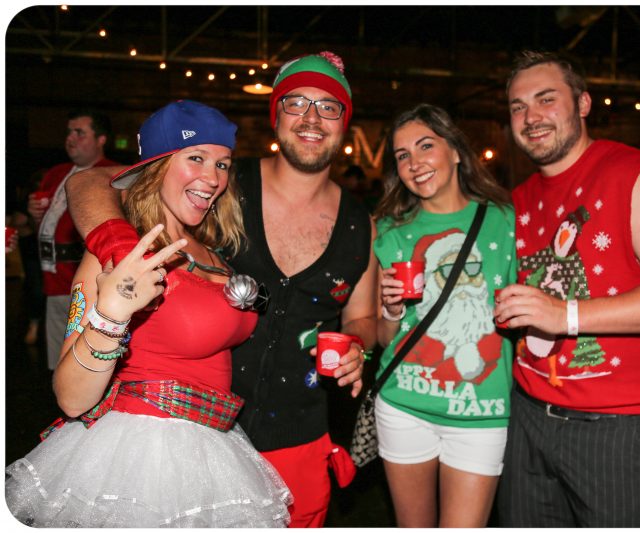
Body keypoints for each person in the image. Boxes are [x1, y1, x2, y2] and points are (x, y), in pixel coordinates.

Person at [64, 52, 377, 528]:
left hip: (292, 437)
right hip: (174, 447)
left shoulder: (357, 223)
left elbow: (363, 318)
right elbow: (90, 180)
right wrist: (119, 255)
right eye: (296, 102)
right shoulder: (228, 188)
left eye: (329, 106)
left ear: (345, 122)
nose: (312, 118)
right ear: (275, 115)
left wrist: (357, 344)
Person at [6, 100, 291, 527]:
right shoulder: (120, 257)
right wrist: (111, 316)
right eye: (196, 158)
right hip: (139, 459)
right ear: (156, 167)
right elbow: (70, 397)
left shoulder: (213, 254)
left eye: (222, 164)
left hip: (214, 447)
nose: (213, 178)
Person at [493, 50, 640, 527]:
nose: (531, 117)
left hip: (614, 427)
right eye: (517, 106)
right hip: (527, 417)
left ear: (583, 103)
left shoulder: (631, 173)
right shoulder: (519, 198)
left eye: (546, 99)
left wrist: (566, 315)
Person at [372, 104, 516, 527]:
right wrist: (391, 310)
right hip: (404, 406)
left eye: (425, 146)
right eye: (402, 155)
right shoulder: (388, 230)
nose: (414, 163)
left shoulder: (505, 221)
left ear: (455, 151)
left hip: (482, 412)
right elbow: (384, 338)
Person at [27, 109, 119, 370]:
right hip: (52, 277)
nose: (71, 138)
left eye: (80, 133)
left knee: (87, 361)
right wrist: (34, 216)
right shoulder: (56, 173)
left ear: (101, 139)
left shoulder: (111, 173)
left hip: (88, 280)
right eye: (69, 132)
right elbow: (41, 228)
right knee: (58, 363)